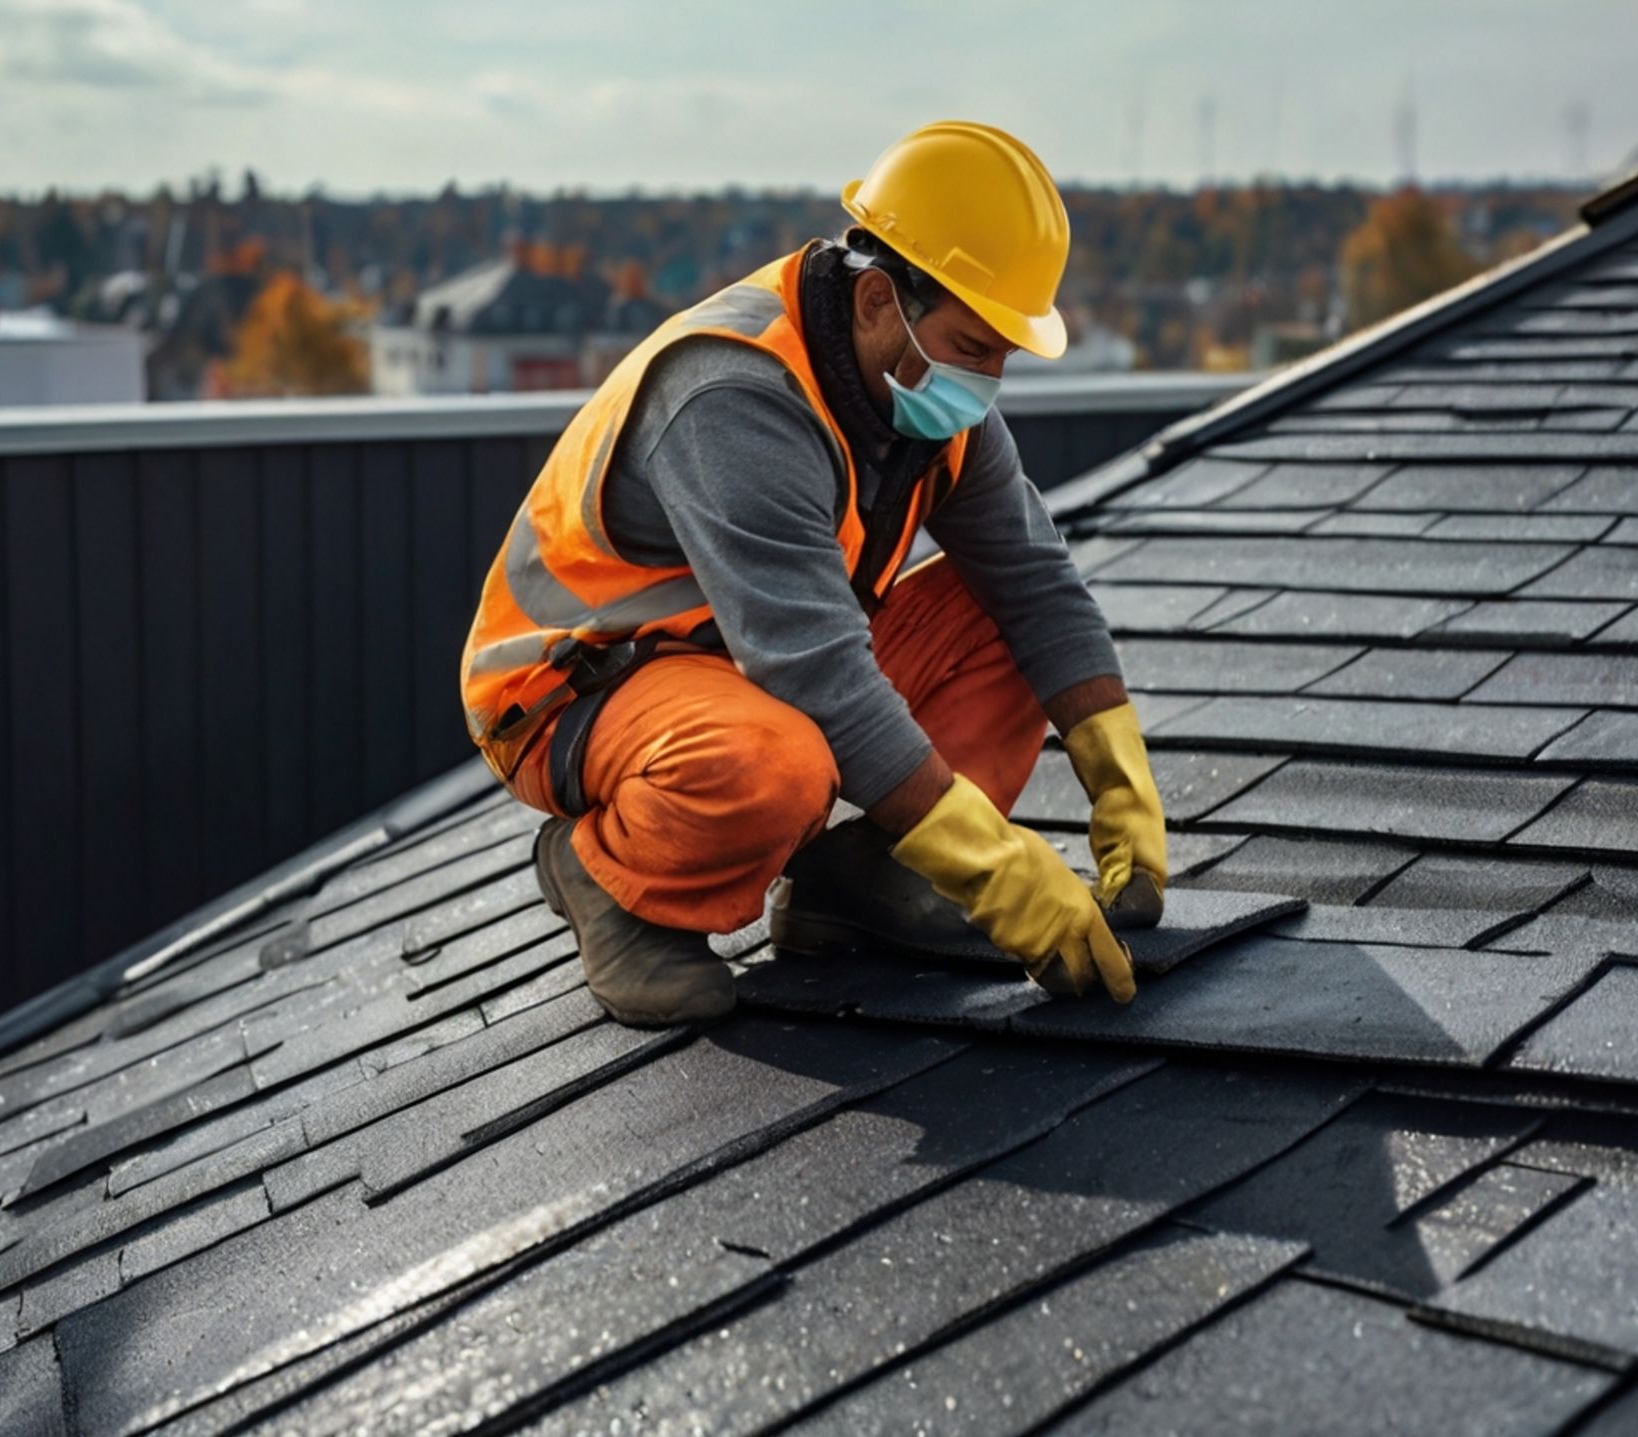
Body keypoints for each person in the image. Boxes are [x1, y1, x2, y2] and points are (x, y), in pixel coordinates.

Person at [459, 120, 1167, 1027]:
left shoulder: (931, 399)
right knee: (774, 765)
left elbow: (1036, 585)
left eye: (1003, 355)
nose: (988, 384)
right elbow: (818, 675)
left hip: (749, 665)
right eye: (973, 347)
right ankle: (612, 881)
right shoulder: (736, 395)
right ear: (878, 300)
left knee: (998, 616)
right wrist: (998, 871)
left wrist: (1120, 778)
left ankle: (864, 883)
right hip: (583, 685)